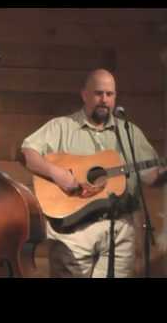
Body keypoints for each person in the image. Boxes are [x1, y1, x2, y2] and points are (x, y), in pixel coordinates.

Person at [21, 69, 167, 278]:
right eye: (99, 93)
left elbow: (152, 176)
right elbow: (27, 153)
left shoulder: (128, 131)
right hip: (73, 233)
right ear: (84, 95)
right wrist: (56, 173)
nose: (104, 100)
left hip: (120, 232)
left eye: (110, 94)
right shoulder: (62, 126)